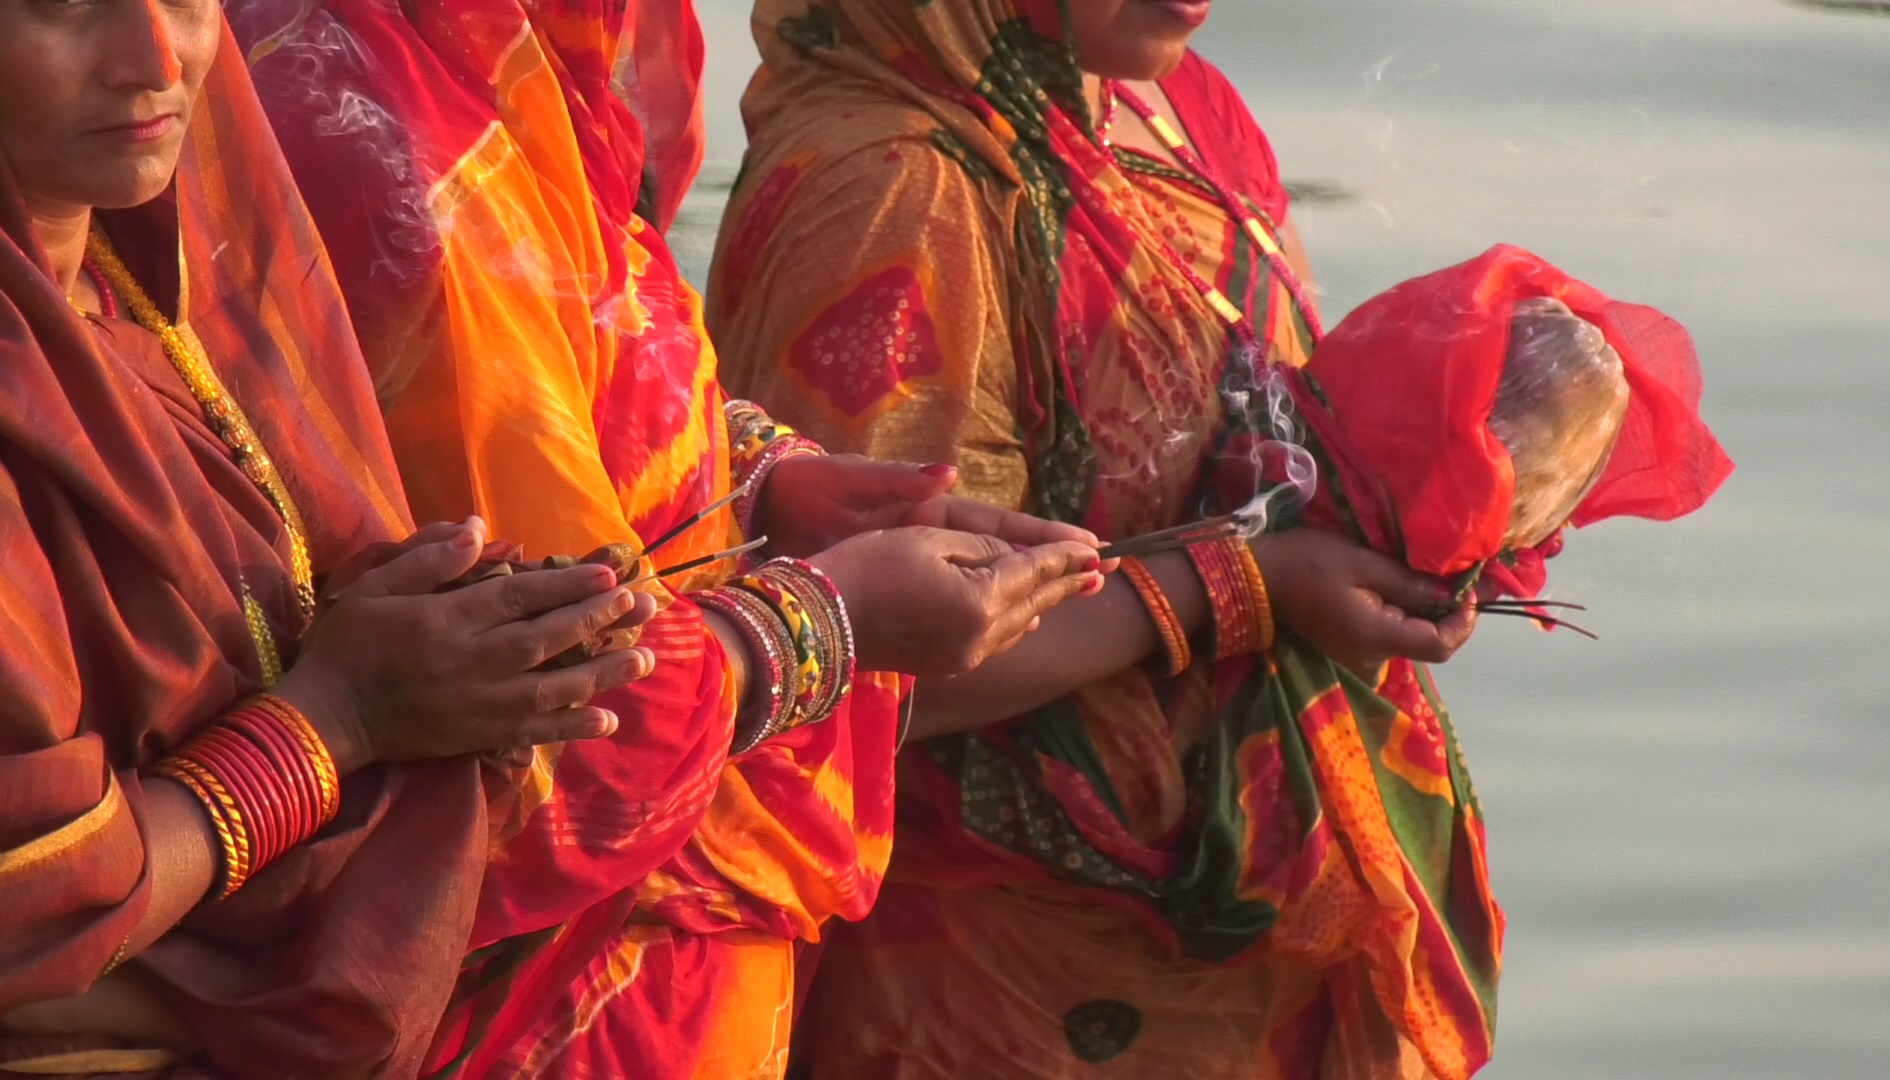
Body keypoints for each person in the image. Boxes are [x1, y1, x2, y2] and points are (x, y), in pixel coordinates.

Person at [227, 1, 1106, 1076]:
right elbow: (554, 713)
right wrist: (825, 621)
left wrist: (761, 478)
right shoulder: (399, 161)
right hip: (554, 1000)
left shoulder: (513, 55)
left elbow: (592, 349)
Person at [710, 1, 1505, 1077]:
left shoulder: (1171, 106)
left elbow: (1252, 441)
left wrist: (1421, 496)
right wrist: (1245, 588)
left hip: (1233, 940)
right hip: (995, 977)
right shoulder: (894, 187)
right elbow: (862, 661)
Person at [0, 6, 662, 1075]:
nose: (156, 62)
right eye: (67, 5)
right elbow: (30, 897)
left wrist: (458, 640)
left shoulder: (162, 290)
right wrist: (337, 719)